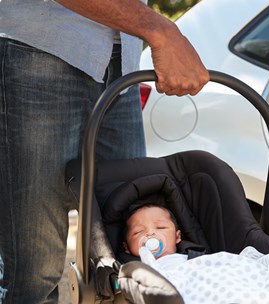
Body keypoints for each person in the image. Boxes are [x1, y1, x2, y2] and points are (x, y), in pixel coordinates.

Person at [0, 1, 209, 303]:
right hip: (39, 48)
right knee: (34, 269)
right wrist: (160, 30)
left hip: (121, 59)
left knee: (119, 259)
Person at [123, 204, 269, 304]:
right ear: (126, 247)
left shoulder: (199, 258)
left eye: (160, 227)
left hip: (210, 278)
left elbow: (223, 267)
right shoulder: (136, 270)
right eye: (138, 232)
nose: (150, 234)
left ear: (177, 237)